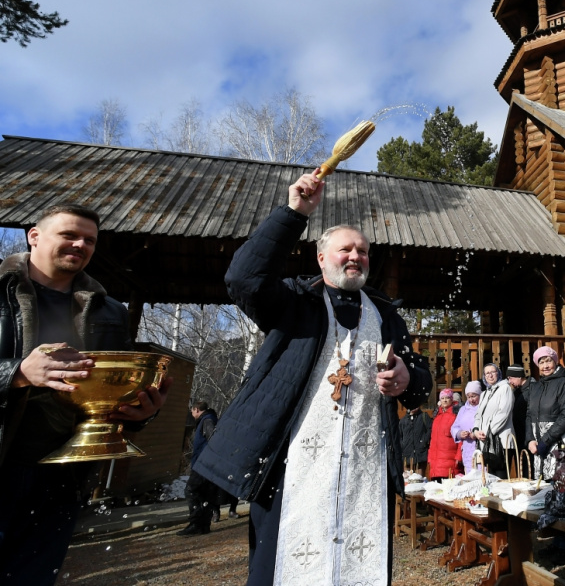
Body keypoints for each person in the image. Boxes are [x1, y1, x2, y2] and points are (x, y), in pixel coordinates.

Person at [194, 170, 432, 586]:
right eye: (345, 250)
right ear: (321, 257)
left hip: (366, 470)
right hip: (292, 467)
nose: (355, 256)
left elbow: (422, 383)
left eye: (363, 251)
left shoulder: (387, 316)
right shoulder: (293, 302)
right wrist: (294, 212)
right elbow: (242, 279)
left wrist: (407, 377)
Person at [0, 204, 169, 585]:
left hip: (61, 477)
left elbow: (115, 392)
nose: (80, 244)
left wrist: (141, 413)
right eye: (69, 235)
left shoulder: (108, 309)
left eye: (89, 240)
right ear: (34, 235)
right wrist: (18, 373)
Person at [525, 347, 565, 481]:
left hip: (558, 444)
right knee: (541, 488)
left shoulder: (564, 383)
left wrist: (545, 441)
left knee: (560, 486)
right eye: (541, 363)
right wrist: (530, 440)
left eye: (548, 361)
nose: (545, 366)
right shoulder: (535, 387)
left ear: (555, 362)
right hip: (538, 447)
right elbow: (529, 415)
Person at [178, 401, 219, 536]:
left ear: (196, 409)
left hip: (204, 464)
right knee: (203, 494)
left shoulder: (207, 421)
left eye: (192, 411)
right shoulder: (209, 419)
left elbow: (213, 439)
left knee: (191, 490)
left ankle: (196, 524)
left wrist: (207, 459)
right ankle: (203, 525)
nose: (191, 413)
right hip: (206, 463)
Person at [473, 364, 515, 478]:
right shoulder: (484, 393)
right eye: (487, 373)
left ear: (498, 373)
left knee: (501, 477)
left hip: (501, 441)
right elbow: (478, 415)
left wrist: (487, 431)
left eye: (493, 372)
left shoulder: (505, 388)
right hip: (487, 442)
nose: (490, 375)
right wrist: (476, 431)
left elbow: (504, 412)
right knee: (491, 477)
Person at [428, 389, 461, 479]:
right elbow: (433, 440)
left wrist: (459, 457)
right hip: (435, 463)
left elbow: (460, 439)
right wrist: (430, 458)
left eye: (447, 398)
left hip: (450, 462)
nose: (445, 400)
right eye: (442, 398)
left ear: (451, 399)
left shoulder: (456, 416)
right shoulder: (436, 417)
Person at [450, 381, 482, 471]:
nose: (471, 399)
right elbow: (454, 427)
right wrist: (460, 434)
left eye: (473, 396)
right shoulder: (463, 409)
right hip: (467, 449)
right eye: (468, 397)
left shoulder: (483, 407)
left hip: (480, 448)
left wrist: (476, 434)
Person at [506, 365, 533, 463]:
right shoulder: (517, 391)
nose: (509, 381)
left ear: (519, 376)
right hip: (519, 436)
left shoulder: (532, 389)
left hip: (528, 437)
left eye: (511, 378)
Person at [400, 406, 432, 477]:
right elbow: (399, 436)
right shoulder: (403, 421)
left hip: (420, 453)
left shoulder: (424, 417)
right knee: (407, 481)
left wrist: (424, 442)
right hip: (407, 454)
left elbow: (430, 430)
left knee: (419, 479)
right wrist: (403, 446)